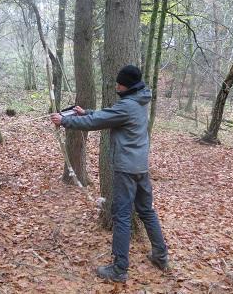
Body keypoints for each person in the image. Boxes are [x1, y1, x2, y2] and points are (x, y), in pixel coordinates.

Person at [50, 65, 169, 282]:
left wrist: (65, 121)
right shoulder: (140, 100)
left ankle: (119, 269)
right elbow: (107, 116)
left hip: (126, 168)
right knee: (146, 211)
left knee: (122, 216)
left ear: (128, 85)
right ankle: (161, 256)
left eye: (119, 83)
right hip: (140, 166)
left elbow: (97, 122)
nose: (116, 86)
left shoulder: (128, 106)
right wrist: (85, 112)